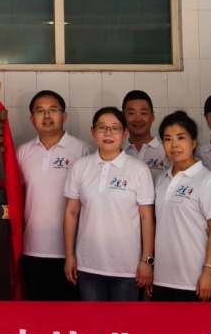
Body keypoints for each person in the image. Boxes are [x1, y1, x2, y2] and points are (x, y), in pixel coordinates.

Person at [64, 107, 155, 302]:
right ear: (93, 131)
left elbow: (147, 217)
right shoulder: (80, 167)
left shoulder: (138, 169)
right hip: (88, 266)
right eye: (102, 128)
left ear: (124, 133)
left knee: (125, 321)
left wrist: (147, 260)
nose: (108, 133)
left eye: (115, 128)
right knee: (93, 320)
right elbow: (71, 212)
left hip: (127, 268)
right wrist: (69, 255)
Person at [17, 90, 90, 301]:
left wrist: (74, 253)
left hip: (71, 253)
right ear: (32, 119)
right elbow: (17, 197)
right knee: (36, 313)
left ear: (64, 116)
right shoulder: (23, 152)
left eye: (53, 110)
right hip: (32, 249)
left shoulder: (82, 151)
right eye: (40, 111)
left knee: (70, 314)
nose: (47, 116)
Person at [152, 111, 211, 302]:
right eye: (168, 139)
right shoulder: (161, 180)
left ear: (193, 143)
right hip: (162, 279)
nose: (174, 144)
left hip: (197, 280)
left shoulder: (208, 180)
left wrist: (209, 271)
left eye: (181, 138)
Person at [122, 90, 169, 180]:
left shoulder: (166, 151)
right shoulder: (118, 152)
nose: (138, 119)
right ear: (123, 117)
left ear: (152, 116)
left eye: (143, 113)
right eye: (131, 113)